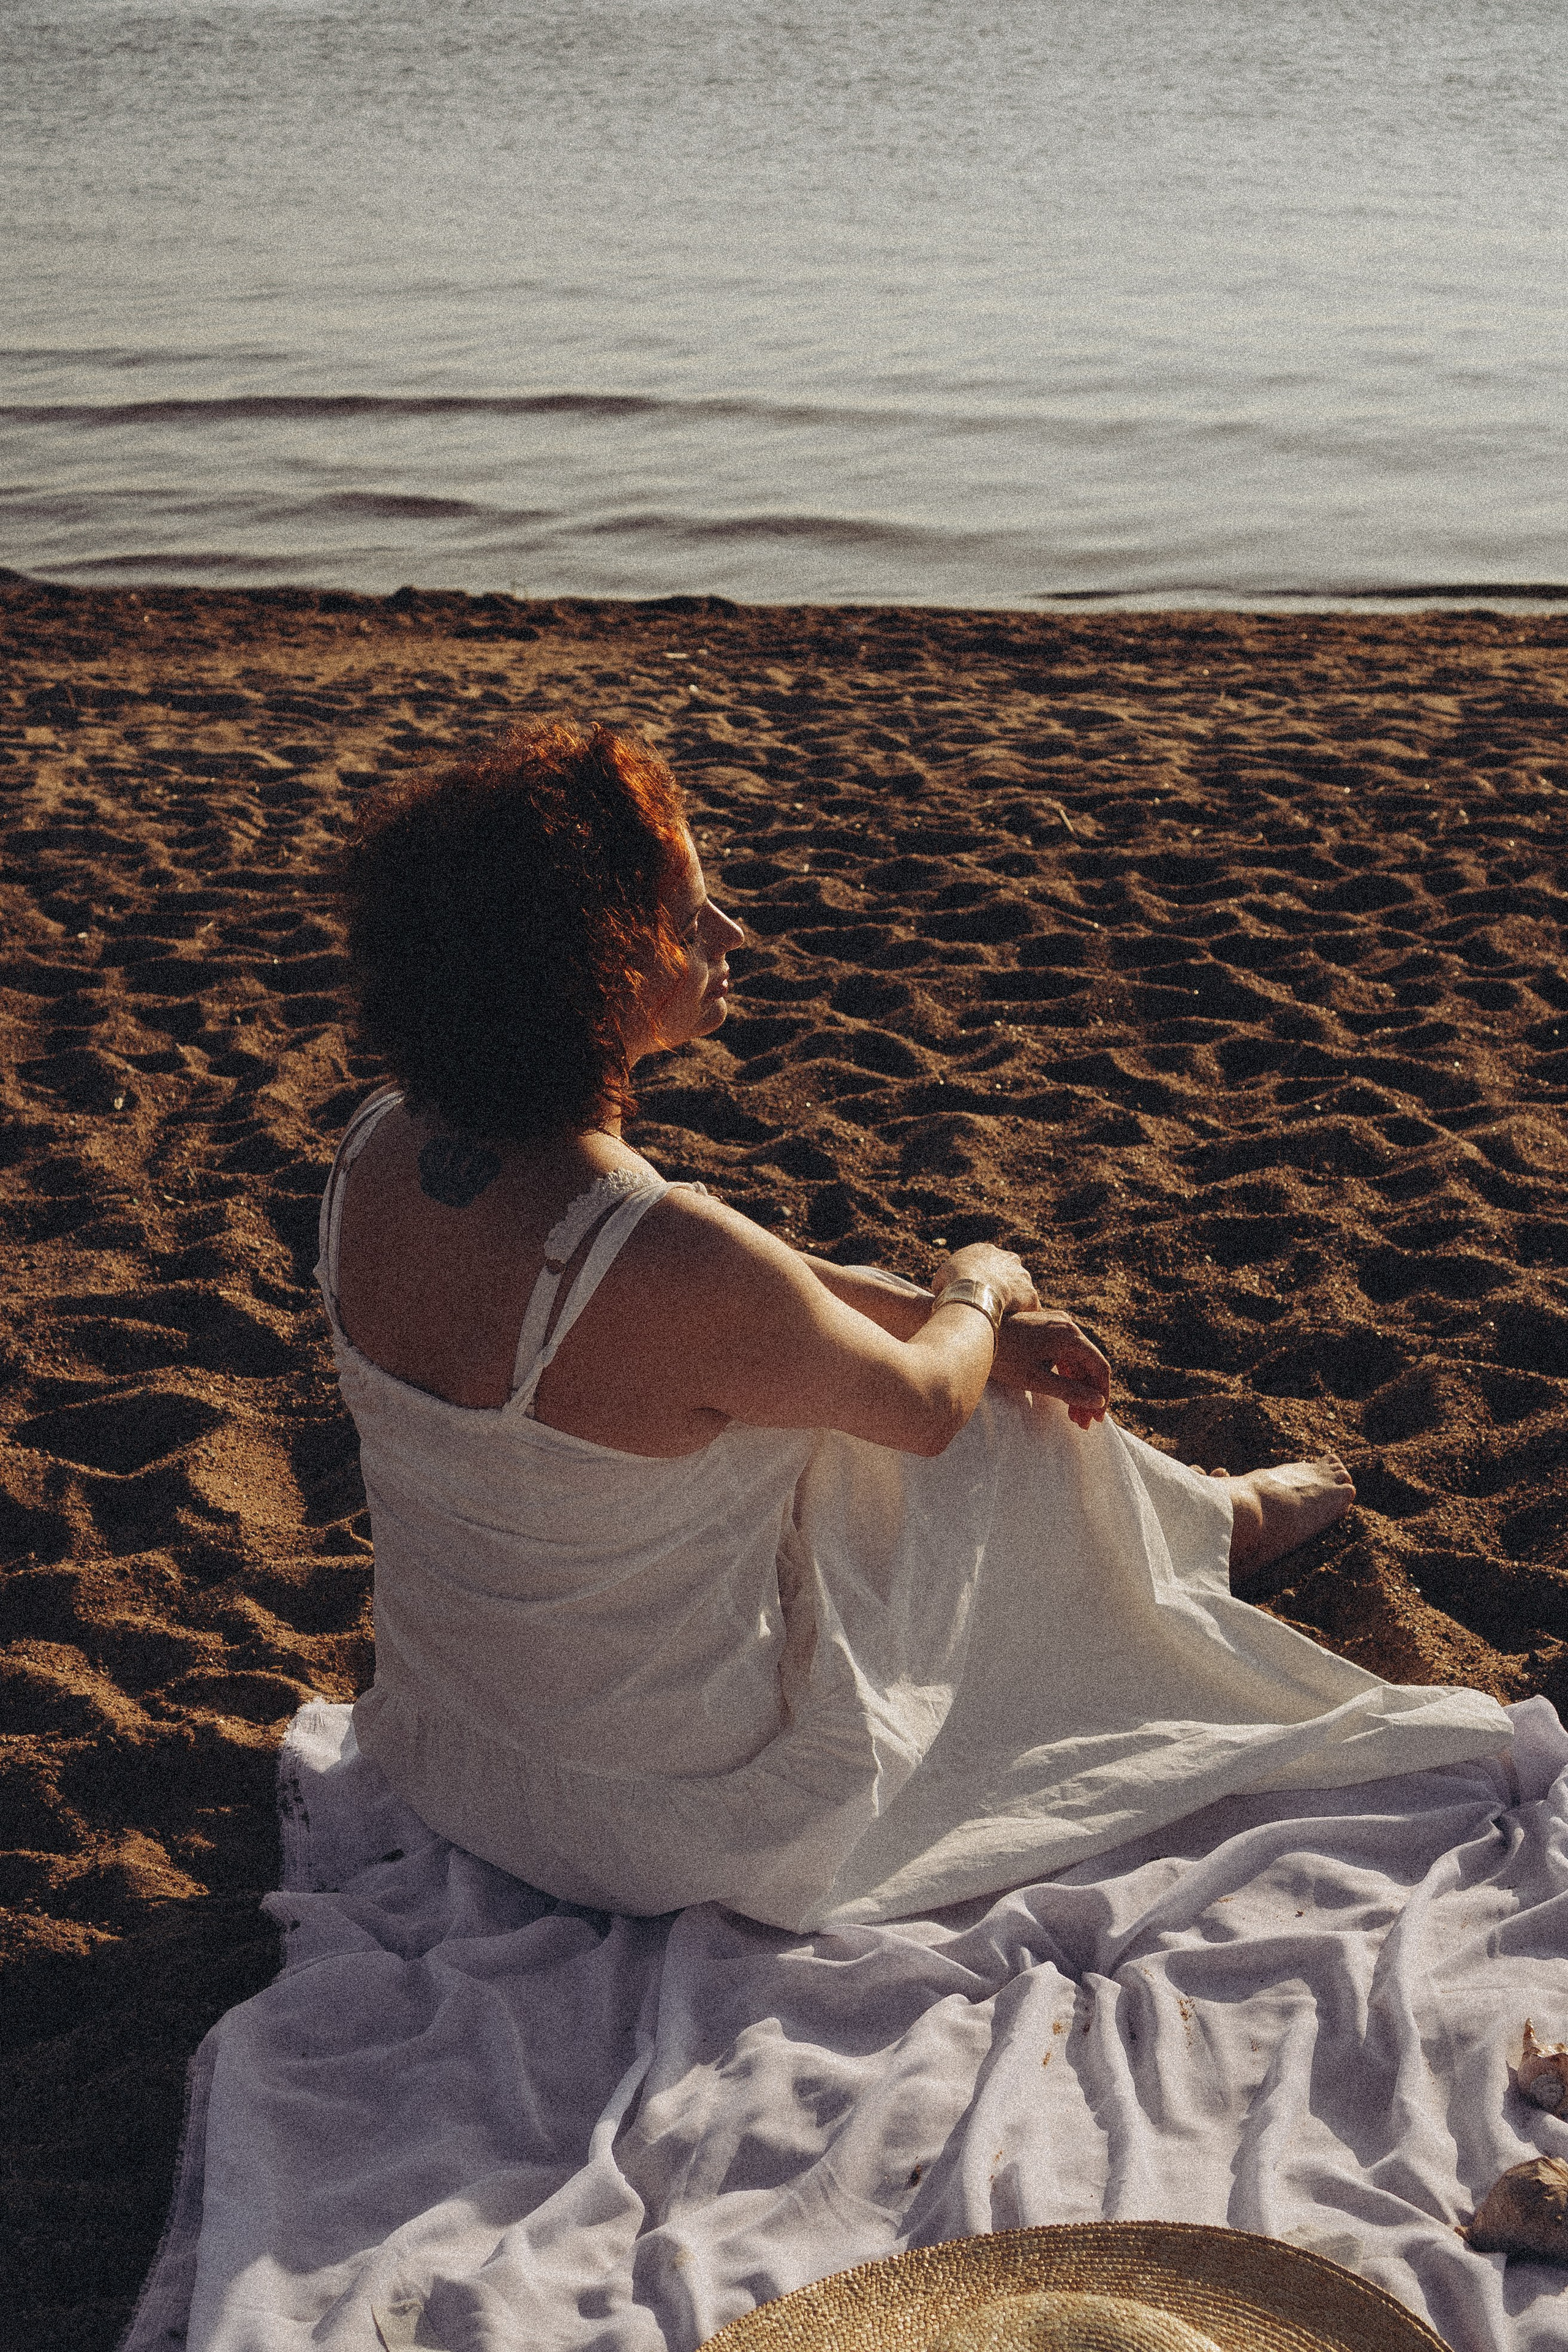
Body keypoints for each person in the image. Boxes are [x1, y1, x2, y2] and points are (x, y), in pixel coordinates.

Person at [317, 719, 1509, 1932]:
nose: (730, 932)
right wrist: (983, 1284)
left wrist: (948, 1320)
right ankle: (1212, 1525)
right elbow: (921, 1404)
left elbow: (755, 1295)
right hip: (660, 1823)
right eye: (688, 914)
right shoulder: (660, 1253)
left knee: (905, 1388)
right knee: (970, 1424)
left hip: (459, 1759)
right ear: (595, 967)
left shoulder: (378, 1150)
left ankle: (1196, 1517)